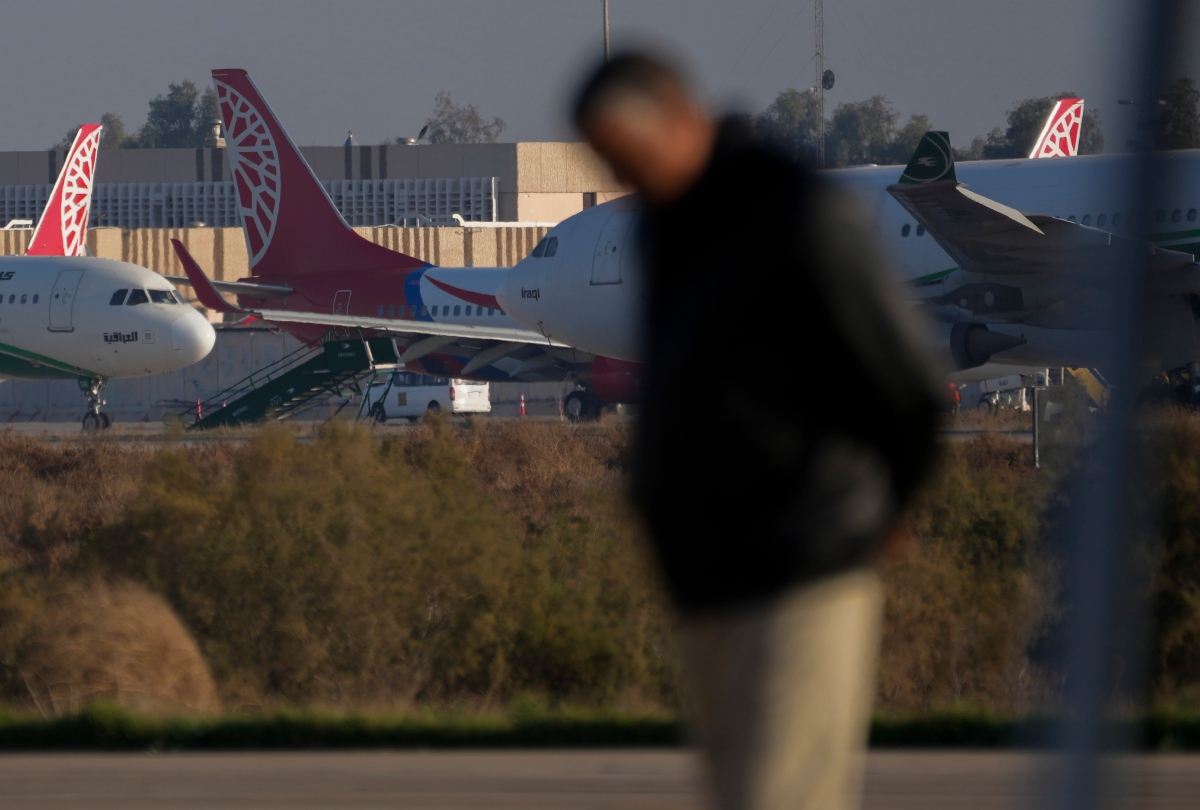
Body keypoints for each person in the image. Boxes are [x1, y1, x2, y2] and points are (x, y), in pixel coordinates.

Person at [573, 53, 941, 810]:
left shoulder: (794, 213)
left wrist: (887, 506)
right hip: (707, 578)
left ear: (679, 117)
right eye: (611, 164)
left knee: (782, 795)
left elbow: (907, 382)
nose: (625, 178)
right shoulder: (664, 236)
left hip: (800, 560)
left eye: (630, 155)